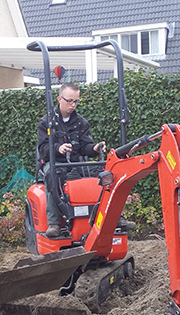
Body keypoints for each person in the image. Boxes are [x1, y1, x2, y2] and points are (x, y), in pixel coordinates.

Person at [37, 82, 133, 237]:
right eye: (69, 101)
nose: (73, 105)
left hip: (76, 162)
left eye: (76, 101)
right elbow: (43, 150)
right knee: (53, 175)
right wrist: (57, 148)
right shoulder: (47, 123)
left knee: (106, 174)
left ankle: (115, 217)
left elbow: (85, 147)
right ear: (59, 99)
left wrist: (94, 148)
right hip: (56, 162)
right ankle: (54, 223)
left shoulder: (81, 122)